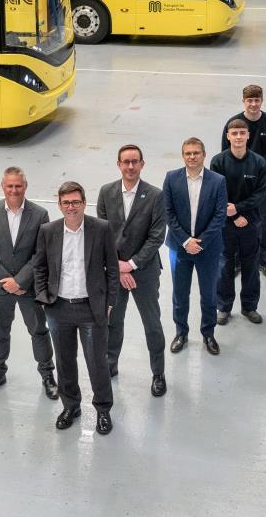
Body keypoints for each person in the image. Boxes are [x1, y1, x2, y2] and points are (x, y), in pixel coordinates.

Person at [34, 182, 118, 435]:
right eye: (66, 203)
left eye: (75, 202)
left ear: (84, 203)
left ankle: (103, 410)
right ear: (59, 205)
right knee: (65, 361)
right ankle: (71, 406)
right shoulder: (48, 231)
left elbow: (112, 269)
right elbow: (39, 266)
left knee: (97, 363)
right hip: (58, 308)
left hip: (91, 308)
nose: (71, 207)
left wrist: (110, 301)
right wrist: (43, 297)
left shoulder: (100, 228)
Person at [0, 167, 57, 400]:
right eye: (10, 186)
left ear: (25, 187)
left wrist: (21, 280)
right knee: (0, 330)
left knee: (39, 330)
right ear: (2, 187)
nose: (14, 190)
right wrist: (7, 281)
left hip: (29, 286)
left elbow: (41, 252)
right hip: (0, 286)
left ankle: (47, 375)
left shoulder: (40, 214)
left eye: (18, 186)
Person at [96, 144, 168, 398]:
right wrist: (118, 267)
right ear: (118, 164)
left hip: (145, 271)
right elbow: (102, 234)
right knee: (113, 320)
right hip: (115, 271)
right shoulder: (106, 192)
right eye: (125, 162)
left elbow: (157, 236)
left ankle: (158, 373)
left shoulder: (156, 195)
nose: (130, 166)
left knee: (152, 323)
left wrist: (133, 264)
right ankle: (110, 364)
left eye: (134, 161)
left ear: (142, 164)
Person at [162, 138, 228, 356]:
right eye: (188, 153)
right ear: (183, 156)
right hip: (179, 248)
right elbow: (168, 213)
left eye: (196, 153)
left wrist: (200, 242)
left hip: (207, 249)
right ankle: (181, 332)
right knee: (180, 294)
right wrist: (185, 241)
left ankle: (208, 334)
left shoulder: (218, 181)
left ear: (204, 154)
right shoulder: (171, 178)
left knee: (208, 295)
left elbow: (220, 216)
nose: (192, 157)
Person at [210, 119, 266, 326]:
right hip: (225, 223)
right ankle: (223, 307)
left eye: (241, 133)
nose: (237, 137)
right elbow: (217, 193)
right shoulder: (218, 162)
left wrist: (241, 210)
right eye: (234, 133)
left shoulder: (259, 163)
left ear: (248, 135)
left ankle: (249, 306)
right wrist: (234, 215)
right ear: (228, 136)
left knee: (251, 264)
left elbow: (261, 194)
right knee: (224, 264)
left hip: (251, 222)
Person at [221, 84, 266, 279]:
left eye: (257, 100)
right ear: (243, 101)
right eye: (250, 100)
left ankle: (264, 261)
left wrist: (260, 169)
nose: (253, 104)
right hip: (238, 183)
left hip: (263, 180)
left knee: (263, 221)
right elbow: (225, 152)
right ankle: (238, 261)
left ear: (262, 101)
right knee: (236, 221)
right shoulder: (234, 124)